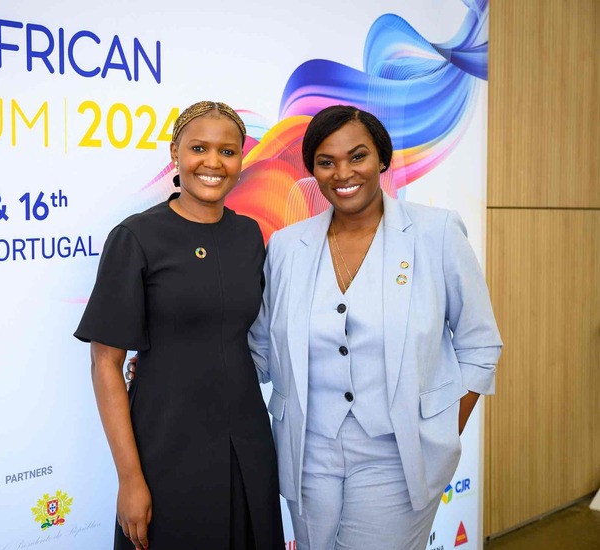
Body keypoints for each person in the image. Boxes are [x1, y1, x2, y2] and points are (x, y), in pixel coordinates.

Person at [247, 105, 503, 549]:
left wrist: (440, 427)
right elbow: (260, 351)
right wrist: (172, 367)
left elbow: (479, 344)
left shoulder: (436, 233)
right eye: (326, 162)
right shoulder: (287, 247)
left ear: (382, 158)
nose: (343, 173)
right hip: (307, 453)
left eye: (357, 156)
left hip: (397, 453)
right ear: (312, 171)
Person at [74, 101, 284, 550]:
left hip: (246, 439)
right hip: (166, 442)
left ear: (241, 159)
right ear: (175, 154)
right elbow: (105, 364)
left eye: (227, 151)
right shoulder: (136, 237)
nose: (213, 162)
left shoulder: (250, 235)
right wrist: (130, 479)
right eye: (199, 148)